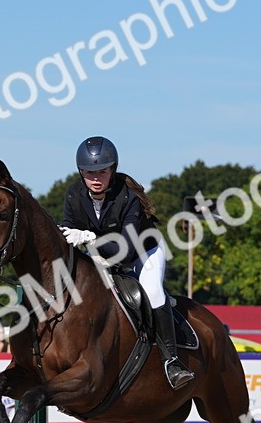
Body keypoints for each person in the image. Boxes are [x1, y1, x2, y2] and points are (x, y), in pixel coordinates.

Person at [61, 136, 194, 389]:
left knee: (152, 292)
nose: (96, 178)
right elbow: (67, 233)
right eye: (89, 172)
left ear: (113, 169)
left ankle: (172, 362)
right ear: (81, 172)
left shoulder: (128, 197)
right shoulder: (74, 194)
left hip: (143, 252)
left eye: (102, 171)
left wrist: (89, 237)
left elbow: (125, 251)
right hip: (101, 255)